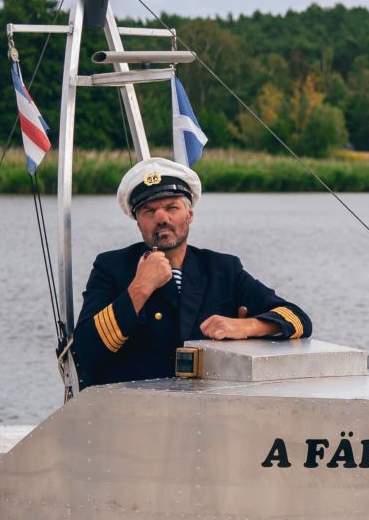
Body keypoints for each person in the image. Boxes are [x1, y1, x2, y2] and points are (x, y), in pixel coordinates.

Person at [73, 158, 312, 388]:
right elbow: (85, 350)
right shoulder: (112, 267)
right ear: (138, 223)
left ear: (189, 215)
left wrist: (246, 327)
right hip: (133, 407)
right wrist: (140, 288)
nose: (161, 218)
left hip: (207, 406)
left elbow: (298, 319)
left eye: (171, 207)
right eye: (148, 211)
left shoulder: (222, 269)